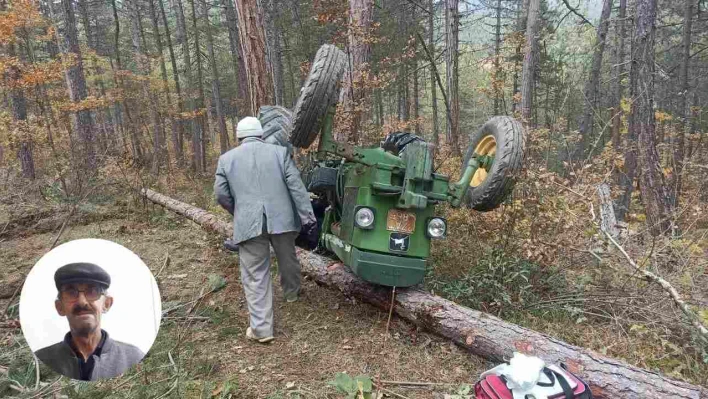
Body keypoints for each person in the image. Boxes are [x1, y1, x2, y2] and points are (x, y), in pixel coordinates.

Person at [214, 116, 316, 344]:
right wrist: (307, 217)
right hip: (282, 219)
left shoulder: (226, 159)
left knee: (255, 274)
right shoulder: (280, 153)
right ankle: (291, 294)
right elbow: (297, 188)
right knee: (288, 258)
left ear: (239, 136)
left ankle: (262, 330)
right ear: (261, 134)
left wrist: (238, 211)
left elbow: (220, 194)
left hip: (249, 224)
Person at [34, 262, 144, 381]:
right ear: (59, 307)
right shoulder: (40, 362)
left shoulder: (134, 358)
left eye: (92, 291)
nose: (82, 302)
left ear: (106, 304)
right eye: (71, 293)